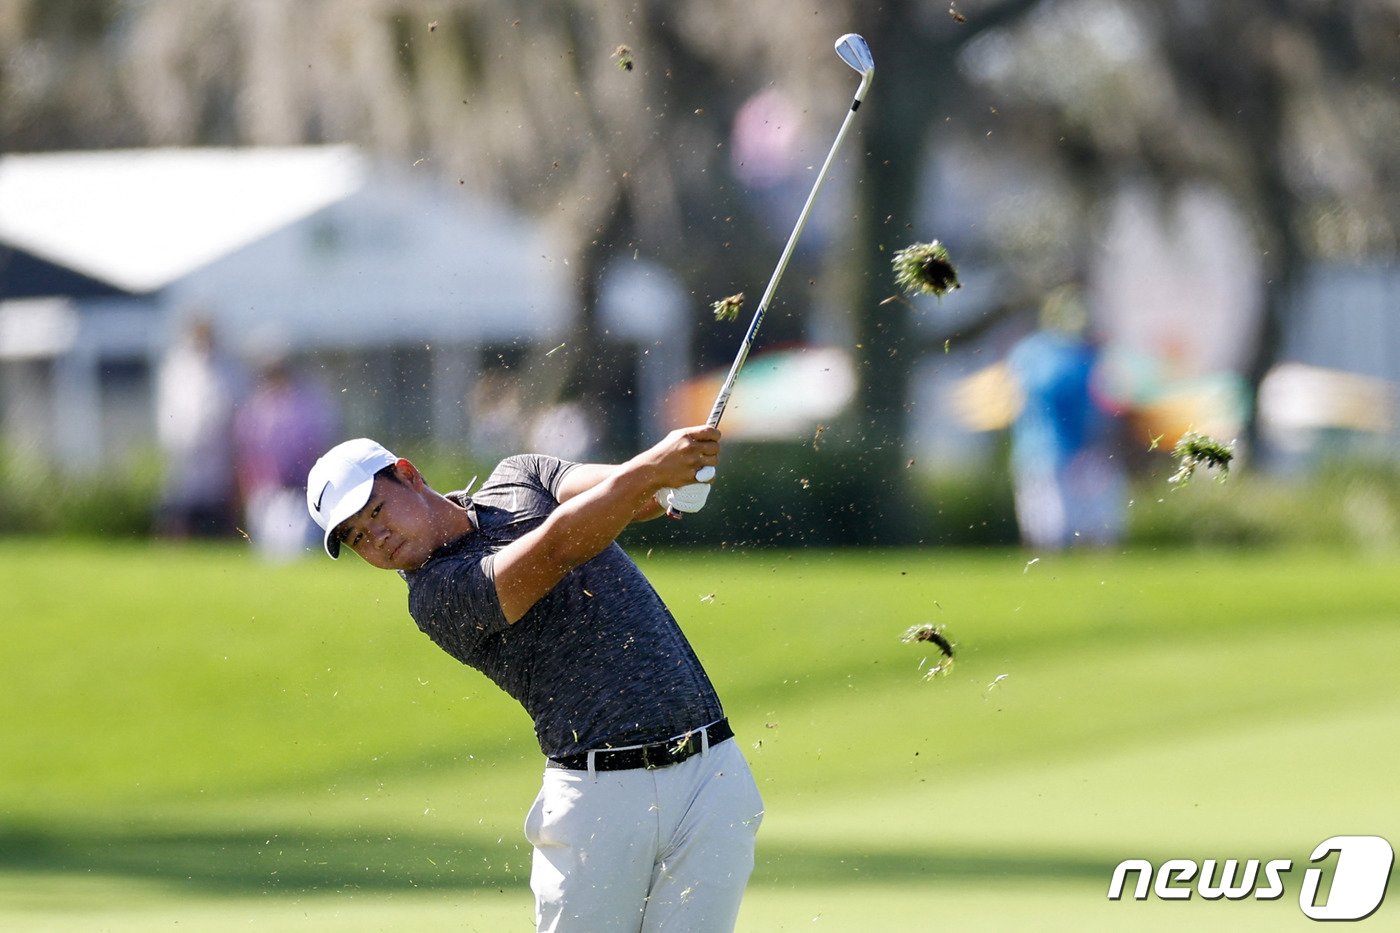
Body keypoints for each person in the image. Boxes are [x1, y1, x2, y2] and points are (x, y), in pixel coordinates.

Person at [305, 426, 763, 932]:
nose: (377, 539)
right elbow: (557, 548)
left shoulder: (521, 476)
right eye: (358, 538)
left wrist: (676, 480)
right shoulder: (437, 595)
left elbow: (628, 498)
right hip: (600, 802)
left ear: (409, 475)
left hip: (710, 775)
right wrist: (655, 467)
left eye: (374, 512)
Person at [1005, 286, 1126, 550]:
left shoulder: (1087, 354)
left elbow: (1106, 404)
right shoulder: (1037, 354)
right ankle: (1049, 579)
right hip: (1044, 451)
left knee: (1097, 524)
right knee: (1050, 526)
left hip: (1087, 450)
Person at [235, 351, 337, 559]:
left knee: (300, 543)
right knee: (267, 545)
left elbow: (315, 443)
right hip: (266, 486)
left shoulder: (303, 404)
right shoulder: (257, 405)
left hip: (299, 485)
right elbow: (247, 448)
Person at [155, 315, 245, 537]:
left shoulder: (229, 366)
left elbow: (233, 404)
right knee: (181, 502)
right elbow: (171, 407)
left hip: (220, 450)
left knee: (217, 504)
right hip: (185, 450)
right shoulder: (178, 365)